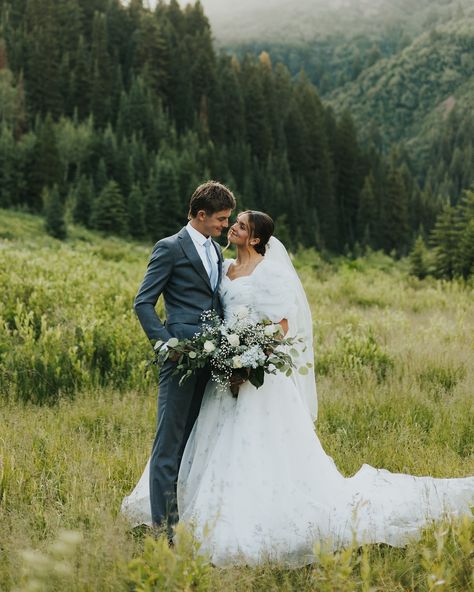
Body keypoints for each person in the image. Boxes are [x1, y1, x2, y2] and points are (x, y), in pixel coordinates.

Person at [123, 210, 474, 567]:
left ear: (256, 238)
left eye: (241, 225)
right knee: (211, 445)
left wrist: (250, 358)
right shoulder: (223, 264)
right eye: (233, 222)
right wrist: (225, 357)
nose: (233, 227)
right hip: (221, 373)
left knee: (259, 450)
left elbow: (283, 326)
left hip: (256, 379)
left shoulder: (270, 273)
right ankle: (183, 518)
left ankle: (258, 518)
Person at [128, 180, 236, 538]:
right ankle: (164, 529)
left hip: (213, 359)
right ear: (201, 215)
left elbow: (214, 302)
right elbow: (143, 302)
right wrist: (165, 344)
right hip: (180, 359)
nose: (225, 225)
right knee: (169, 444)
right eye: (221, 219)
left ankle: (189, 518)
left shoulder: (216, 251)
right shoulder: (170, 248)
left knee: (195, 441)